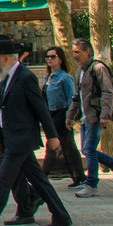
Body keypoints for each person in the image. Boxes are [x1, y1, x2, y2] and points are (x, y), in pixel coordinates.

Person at [0, 44, 72, 226]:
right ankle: (61, 215)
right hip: (8, 138)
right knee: (40, 181)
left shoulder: (26, 77)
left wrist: (52, 136)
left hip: (21, 138)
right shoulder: (4, 77)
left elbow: (40, 107)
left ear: (6, 58)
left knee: (3, 181)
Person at [71, 39, 113, 197]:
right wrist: (71, 116)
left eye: (77, 52)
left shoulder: (98, 68)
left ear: (88, 52)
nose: (74, 55)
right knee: (87, 149)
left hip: (96, 117)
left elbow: (107, 92)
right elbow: (77, 97)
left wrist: (105, 115)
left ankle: (92, 185)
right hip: (86, 118)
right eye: (73, 52)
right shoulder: (80, 72)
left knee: (89, 149)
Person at [39, 47, 86, 186]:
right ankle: (80, 177)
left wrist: (70, 117)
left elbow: (72, 99)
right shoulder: (48, 77)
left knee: (53, 145)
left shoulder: (65, 78)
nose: (49, 59)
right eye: (47, 57)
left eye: (53, 57)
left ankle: (42, 177)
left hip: (62, 114)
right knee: (68, 146)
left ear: (60, 59)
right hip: (50, 114)